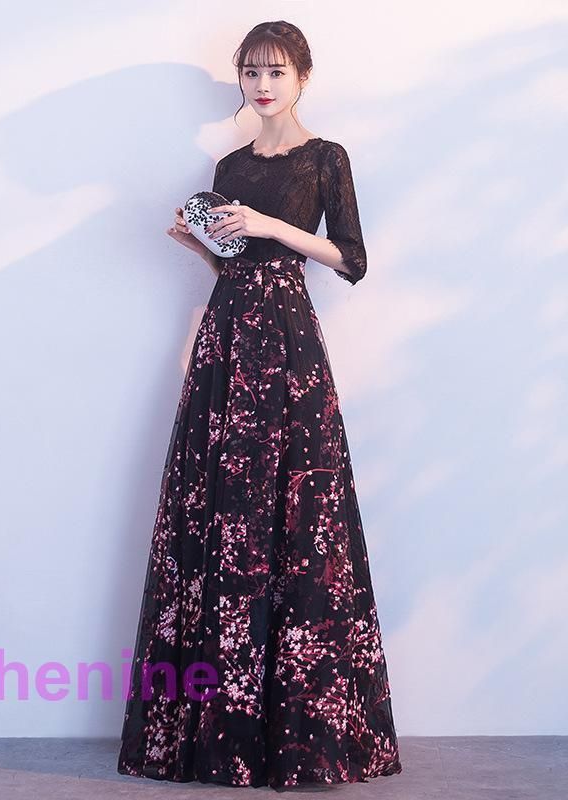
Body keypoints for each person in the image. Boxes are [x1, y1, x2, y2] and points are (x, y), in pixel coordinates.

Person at [117, 20, 403, 789]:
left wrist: (272, 224)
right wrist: (201, 246)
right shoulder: (229, 166)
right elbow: (234, 262)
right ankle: (220, 731)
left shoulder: (326, 158)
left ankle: (300, 735)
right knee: (225, 510)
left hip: (289, 340)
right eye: (251, 71)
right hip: (227, 336)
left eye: (276, 71)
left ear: (303, 77)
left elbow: (352, 260)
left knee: (298, 512)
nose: (262, 84)